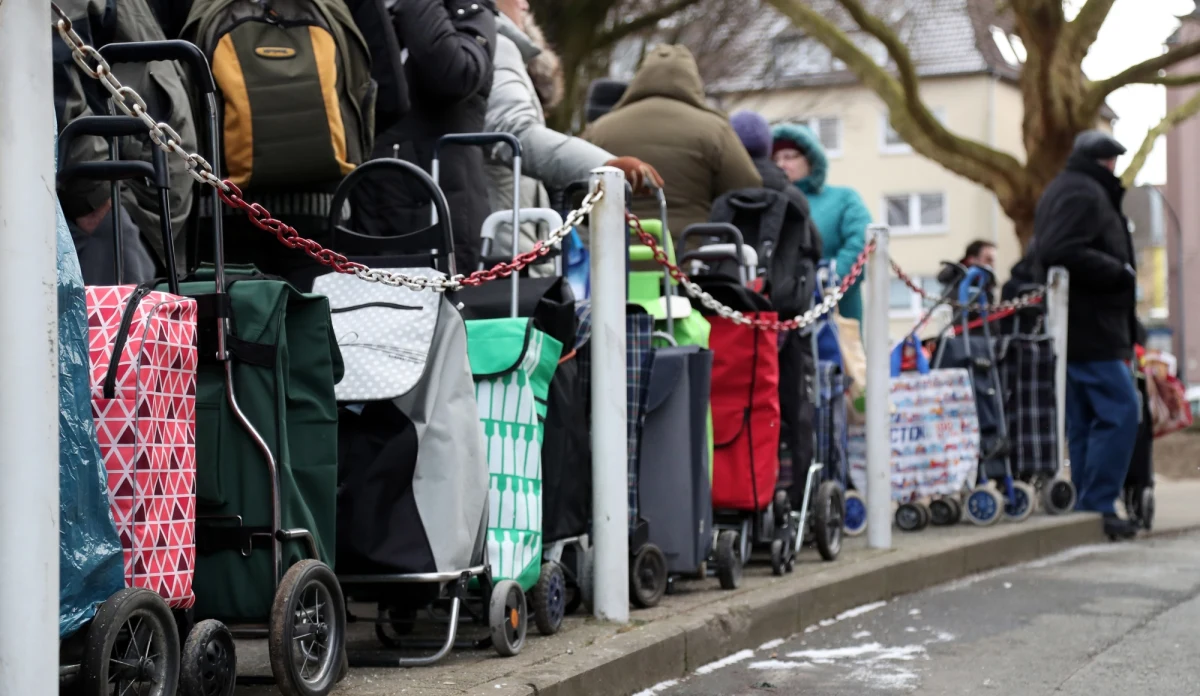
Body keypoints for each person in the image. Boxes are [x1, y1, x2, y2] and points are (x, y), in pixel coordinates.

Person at [484, 0, 662, 269]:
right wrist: (606, 167)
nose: (524, 4)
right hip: (504, 251)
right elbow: (513, 131)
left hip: (497, 242)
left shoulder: (465, 42)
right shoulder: (497, 45)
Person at [1033, 129, 1140, 540]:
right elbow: (1060, 249)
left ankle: (1086, 508)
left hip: (1078, 326)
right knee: (1120, 410)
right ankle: (1096, 504)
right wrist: (1119, 273)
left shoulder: (1065, 189)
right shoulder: (1085, 193)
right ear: (1105, 162)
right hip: (1092, 327)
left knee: (1083, 419)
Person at [53, 0, 198, 283]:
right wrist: (93, 196)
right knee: (116, 324)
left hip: (142, 204)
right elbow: (49, 71)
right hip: (107, 208)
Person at [353, 0, 498, 274]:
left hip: (439, 216)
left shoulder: (471, 13)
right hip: (366, 208)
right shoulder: (369, 11)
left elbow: (455, 75)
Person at [585, 45, 762, 237]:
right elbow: (747, 188)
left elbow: (577, 191)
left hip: (613, 252)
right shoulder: (715, 129)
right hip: (689, 252)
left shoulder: (600, 129)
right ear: (693, 80)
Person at [772, 123, 872, 323]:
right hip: (780, 313)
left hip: (834, 314)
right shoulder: (769, 203)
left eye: (789, 156)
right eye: (775, 159)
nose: (781, 164)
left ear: (810, 160)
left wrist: (826, 285)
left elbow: (860, 243)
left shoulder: (843, 199)